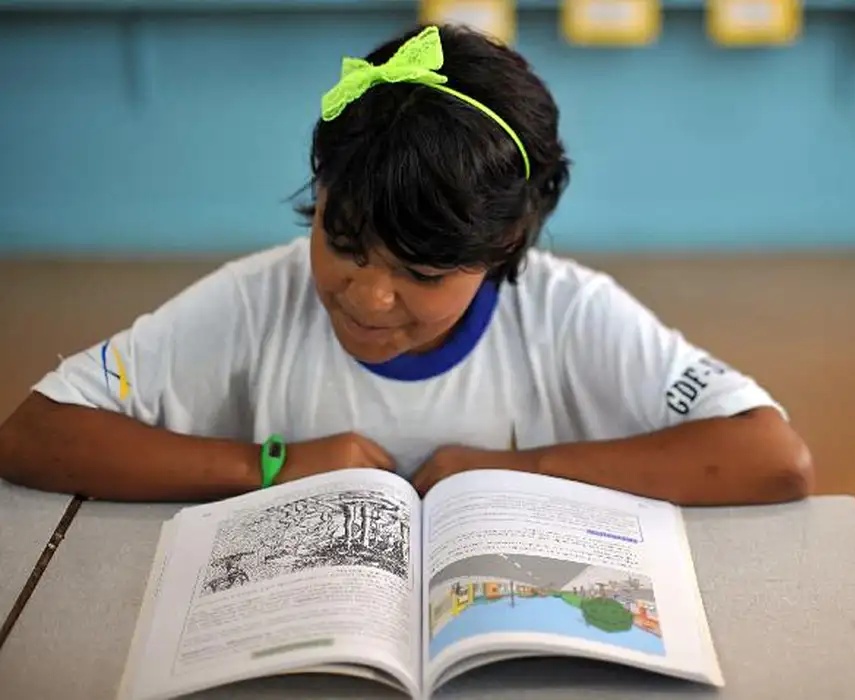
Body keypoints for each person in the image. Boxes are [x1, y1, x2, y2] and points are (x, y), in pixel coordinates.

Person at [0, 24, 812, 505]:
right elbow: (33, 434)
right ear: (319, 195)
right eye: (343, 243)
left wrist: (512, 471)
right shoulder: (260, 301)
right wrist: (267, 466)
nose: (369, 297)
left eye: (423, 275)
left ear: (501, 251)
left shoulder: (565, 314)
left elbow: (773, 459)